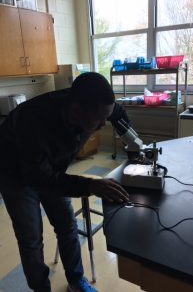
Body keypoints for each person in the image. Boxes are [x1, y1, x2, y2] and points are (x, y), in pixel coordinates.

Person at [0, 72, 130, 292]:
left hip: (50, 169)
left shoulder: (96, 105)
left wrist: (132, 143)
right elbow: (41, 179)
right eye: (99, 120)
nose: (103, 125)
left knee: (67, 225)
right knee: (31, 239)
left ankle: (75, 280)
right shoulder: (33, 122)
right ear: (76, 111)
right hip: (14, 174)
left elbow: (117, 113)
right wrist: (90, 185)